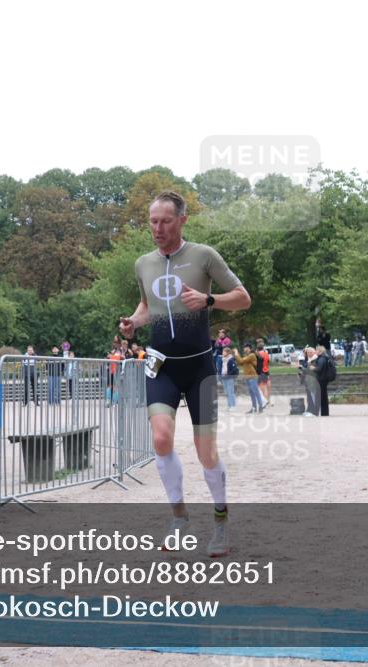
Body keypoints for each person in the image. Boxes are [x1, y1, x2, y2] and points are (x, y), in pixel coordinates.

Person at [118, 190, 250, 558]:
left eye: (165, 221)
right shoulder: (143, 263)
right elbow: (148, 306)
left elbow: (243, 297)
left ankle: (220, 522)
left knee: (206, 452)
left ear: (182, 220)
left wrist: (210, 300)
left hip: (199, 368)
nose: (157, 228)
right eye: (152, 222)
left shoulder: (204, 255)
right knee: (161, 439)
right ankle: (179, 518)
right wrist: (133, 323)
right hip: (162, 366)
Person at [235, 344, 263, 414]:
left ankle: (260, 407)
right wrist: (237, 356)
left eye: (245, 347)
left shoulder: (252, 355)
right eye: (244, 347)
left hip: (252, 376)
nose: (244, 349)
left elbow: (241, 361)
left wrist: (236, 354)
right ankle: (254, 408)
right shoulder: (247, 356)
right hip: (248, 377)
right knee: (252, 393)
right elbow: (241, 363)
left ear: (249, 348)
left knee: (256, 392)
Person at [313, 344, 334, 417]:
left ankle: (323, 412)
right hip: (324, 379)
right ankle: (324, 412)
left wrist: (313, 368)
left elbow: (319, 369)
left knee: (322, 396)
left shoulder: (322, 359)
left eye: (316, 350)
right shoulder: (325, 358)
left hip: (321, 379)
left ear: (320, 351)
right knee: (323, 396)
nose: (315, 351)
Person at [300, 346, 320, 416]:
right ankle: (310, 410)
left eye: (311, 352)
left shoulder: (315, 359)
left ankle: (314, 411)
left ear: (314, 352)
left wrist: (302, 368)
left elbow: (311, 370)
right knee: (310, 396)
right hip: (308, 380)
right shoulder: (308, 359)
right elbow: (306, 368)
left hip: (313, 380)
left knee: (313, 396)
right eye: (308, 352)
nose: (309, 353)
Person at [219, 346, 238, 411]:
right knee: (226, 392)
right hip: (224, 378)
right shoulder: (222, 359)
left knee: (231, 392)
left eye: (224, 352)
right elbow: (221, 368)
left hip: (229, 378)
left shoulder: (231, 360)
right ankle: (229, 405)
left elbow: (234, 370)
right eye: (223, 351)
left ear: (227, 352)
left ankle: (233, 406)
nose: (223, 353)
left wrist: (227, 374)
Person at [255, 339, 272, 408]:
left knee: (266, 387)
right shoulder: (259, 353)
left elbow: (267, 362)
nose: (260, 343)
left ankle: (267, 401)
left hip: (264, 371)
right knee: (265, 387)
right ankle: (266, 401)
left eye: (261, 342)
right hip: (263, 371)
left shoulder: (263, 352)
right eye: (259, 342)